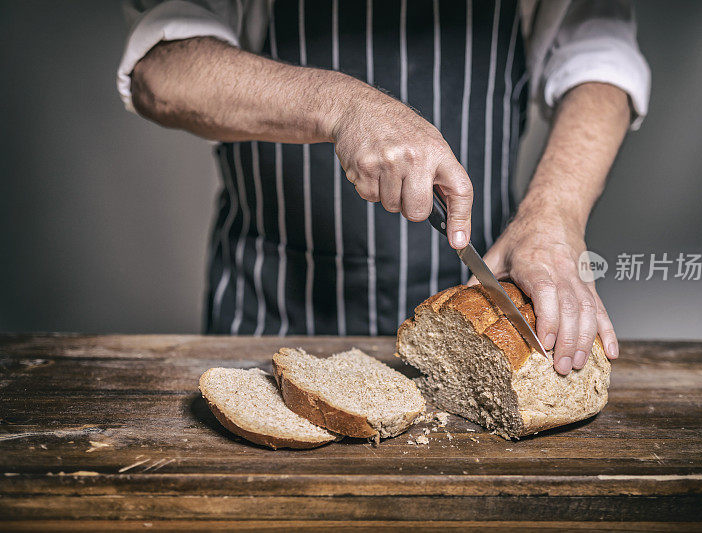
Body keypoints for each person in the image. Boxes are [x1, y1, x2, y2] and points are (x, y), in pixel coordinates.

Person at [118, 0, 650, 375]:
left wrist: (555, 213)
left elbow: (600, 56)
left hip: (476, 319)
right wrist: (341, 105)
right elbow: (163, 68)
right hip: (270, 306)